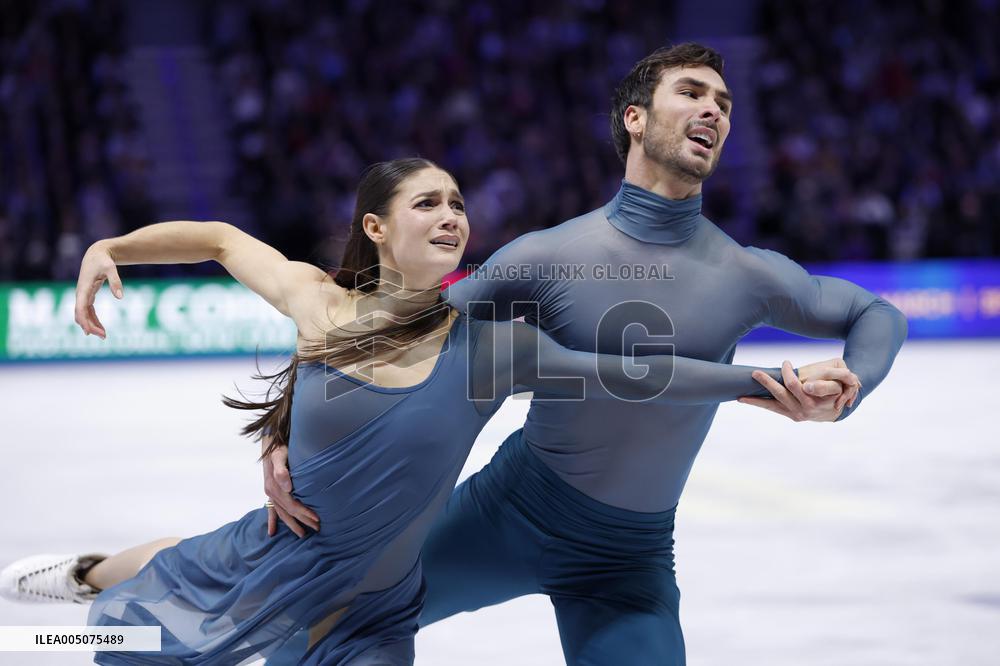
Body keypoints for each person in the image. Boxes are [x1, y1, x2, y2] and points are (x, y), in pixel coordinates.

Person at [0, 157, 859, 665]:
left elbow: (636, 372)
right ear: (375, 227)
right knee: (128, 622)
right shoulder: (315, 303)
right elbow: (221, 238)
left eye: (457, 203)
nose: (452, 215)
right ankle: (83, 578)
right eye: (428, 203)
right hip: (269, 561)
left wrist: (763, 388)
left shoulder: (489, 349)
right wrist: (109, 247)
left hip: (372, 615)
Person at [254, 43, 910, 665]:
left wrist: (853, 383)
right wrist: (284, 435)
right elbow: (379, 336)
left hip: (628, 564)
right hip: (507, 516)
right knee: (312, 623)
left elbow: (875, 313)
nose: (715, 110)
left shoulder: (748, 274)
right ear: (635, 118)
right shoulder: (548, 257)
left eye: (724, 103)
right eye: (691, 92)